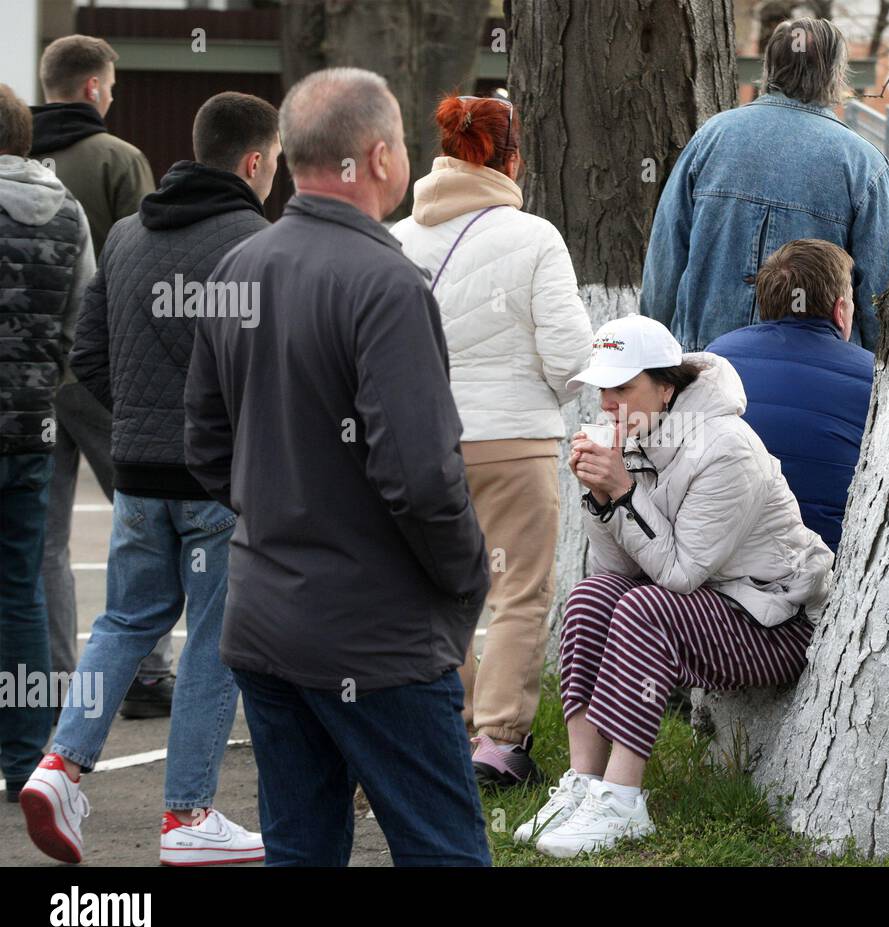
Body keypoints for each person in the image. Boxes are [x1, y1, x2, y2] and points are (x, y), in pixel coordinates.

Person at [185, 68, 492, 867]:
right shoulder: (386, 283)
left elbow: (206, 445)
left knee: (301, 849)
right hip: (376, 634)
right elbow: (421, 478)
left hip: (265, 620)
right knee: (444, 851)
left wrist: (279, 509)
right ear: (381, 157)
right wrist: (465, 576)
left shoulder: (235, 270)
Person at [20, 93, 279, 865]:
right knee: (212, 641)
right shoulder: (258, 244)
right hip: (217, 483)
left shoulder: (129, 235)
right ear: (255, 161)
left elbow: (86, 354)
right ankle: (187, 814)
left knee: (124, 622)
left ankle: (59, 765)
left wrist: (140, 418)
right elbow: (271, 370)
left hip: (137, 473)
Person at [512, 315, 834, 858]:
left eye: (622, 387)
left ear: (666, 387)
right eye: (601, 389)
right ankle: (585, 785)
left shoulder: (726, 446)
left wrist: (622, 492)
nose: (608, 403)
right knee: (590, 597)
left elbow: (680, 574)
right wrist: (600, 498)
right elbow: (617, 569)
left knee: (646, 608)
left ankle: (622, 803)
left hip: (776, 623)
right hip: (707, 608)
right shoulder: (638, 435)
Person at [391, 93, 591, 787]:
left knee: (433, 593)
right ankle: (500, 743)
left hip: (421, 445)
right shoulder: (535, 237)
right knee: (518, 592)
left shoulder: (394, 240)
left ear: (445, 153)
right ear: (512, 161)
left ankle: (447, 728)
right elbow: (571, 359)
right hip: (514, 444)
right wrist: (537, 399)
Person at [31, 34, 170, 712]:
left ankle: (52, 679)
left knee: (45, 541)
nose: (111, 95)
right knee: (143, 521)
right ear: (92, 88)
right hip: (101, 370)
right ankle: (144, 675)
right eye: (110, 85)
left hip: (29, 379)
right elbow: (143, 266)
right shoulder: (118, 158)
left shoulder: (14, 160)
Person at [639, 16, 889, 352]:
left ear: (769, 67)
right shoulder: (863, 164)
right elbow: (880, 286)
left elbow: (666, 255)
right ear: (836, 74)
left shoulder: (712, 138)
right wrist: (868, 364)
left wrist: (656, 347)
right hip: (809, 366)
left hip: (704, 358)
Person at [0, 83, 94, 802]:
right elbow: (80, 319)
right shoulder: (68, 211)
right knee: (20, 591)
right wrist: (43, 377)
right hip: (31, 426)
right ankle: (23, 755)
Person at [707, 238, 872, 554]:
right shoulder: (874, 376)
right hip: (825, 558)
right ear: (840, 310)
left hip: (725, 552)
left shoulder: (716, 357)